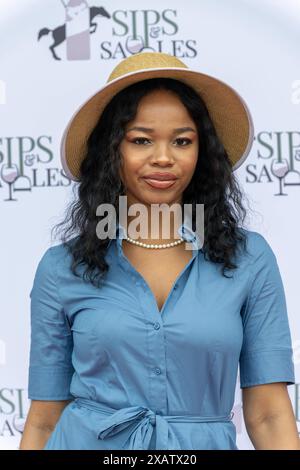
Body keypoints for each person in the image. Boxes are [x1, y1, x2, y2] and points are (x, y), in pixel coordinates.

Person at [20, 52, 299, 450]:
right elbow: (46, 420)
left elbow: (269, 414)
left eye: (182, 141)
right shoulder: (62, 268)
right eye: (141, 140)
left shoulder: (250, 259)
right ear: (110, 150)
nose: (164, 157)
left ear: (202, 151)